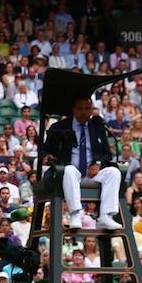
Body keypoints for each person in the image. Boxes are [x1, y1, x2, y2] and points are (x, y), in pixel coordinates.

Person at [43, 91, 122, 230]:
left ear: (92, 110)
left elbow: (107, 154)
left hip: (91, 174)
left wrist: (97, 163)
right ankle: (75, 214)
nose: (84, 112)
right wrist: (47, 156)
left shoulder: (97, 128)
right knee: (69, 170)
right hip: (67, 174)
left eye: (87, 109)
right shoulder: (59, 127)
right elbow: (45, 150)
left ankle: (106, 216)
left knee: (114, 172)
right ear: (73, 109)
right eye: (81, 108)